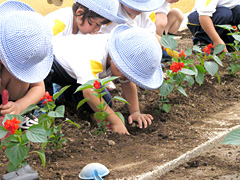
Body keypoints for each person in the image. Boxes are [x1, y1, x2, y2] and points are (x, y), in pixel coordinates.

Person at [45, 25, 164, 135]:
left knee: (105, 101)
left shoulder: (119, 50)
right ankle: (45, 104)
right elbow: (89, 91)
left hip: (73, 76)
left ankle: (66, 97)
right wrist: (115, 121)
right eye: (128, 73)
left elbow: (127, 82)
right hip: (50, 62)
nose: (128, 79)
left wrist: (135, 112)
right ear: (118, 65)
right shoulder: (94, 56)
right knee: (46, 87)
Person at [0, 1, 53, 129]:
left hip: (10, 102)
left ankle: (18, 115)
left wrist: (18, 106)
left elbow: (39, 88)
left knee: (20, 79)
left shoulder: (24, 54)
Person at [45, 0, 127, 36]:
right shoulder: (60, 23)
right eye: (97, 24)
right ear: (80, 13)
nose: (97, 29)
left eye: (100, 26)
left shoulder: (81, 29)